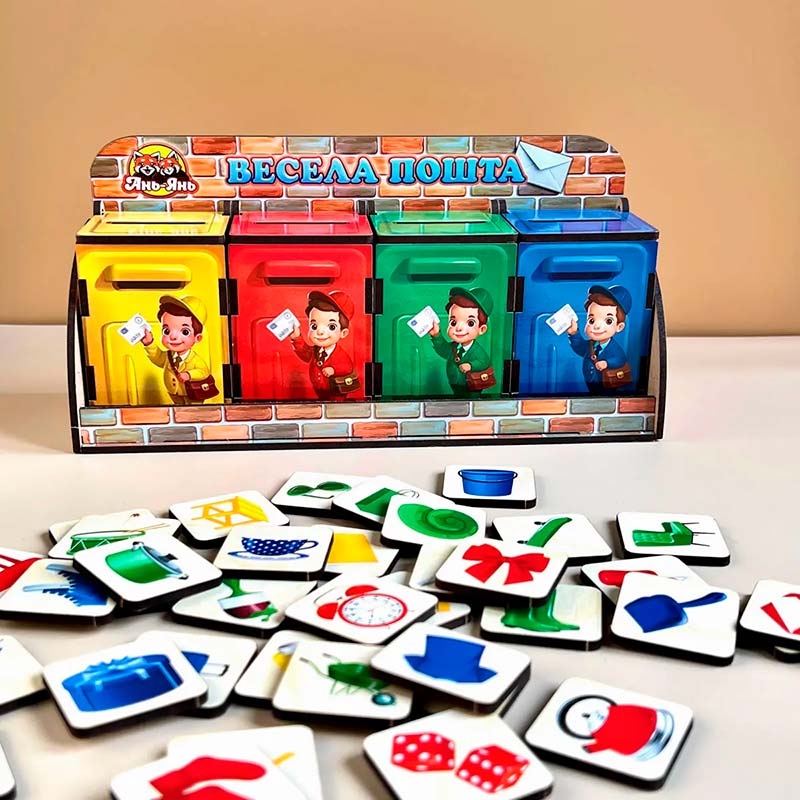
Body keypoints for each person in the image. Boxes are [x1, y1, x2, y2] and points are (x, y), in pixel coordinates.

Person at [140, 295, 211, 405]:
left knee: (193, 410)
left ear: (198, 338)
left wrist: (189, 375)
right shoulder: (169, 356)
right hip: (174, 393)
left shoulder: (195, 359)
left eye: (185, 332)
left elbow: (203, 372)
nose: (173, 337)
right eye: (166, 331)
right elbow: (157, 358)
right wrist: (149, 343)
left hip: (192, 393)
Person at [290, 290, 357, 401]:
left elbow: (347, 367)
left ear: (343, 333)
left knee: (336, 403)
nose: (320, 332)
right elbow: (304, 352)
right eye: (314, 326)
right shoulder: (316, 351)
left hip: (336, 389)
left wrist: (334, 370)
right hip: (319, 389)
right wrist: (296, 337)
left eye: (331, 327)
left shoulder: (340, 355)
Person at [428, 286, 494, 397]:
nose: (458, 328)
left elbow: (484, 362)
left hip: (473, 383)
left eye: (470, 323)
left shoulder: (476, 350)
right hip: (455, 382)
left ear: (481, 329)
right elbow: (444, 350)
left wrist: (471, 366)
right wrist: (436, 335)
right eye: (453, 322)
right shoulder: (454, 347)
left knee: (472, 400)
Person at [566, 284, 632, 392]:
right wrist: (574, 333)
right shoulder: (591, 345)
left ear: (619, 327)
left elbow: (620, 359)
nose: (596, 326)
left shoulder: (614, 348)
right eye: (591, 320)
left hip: (608, 383)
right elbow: (580, 348)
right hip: (591, 384)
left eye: (608, 321)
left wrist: (607, 363)